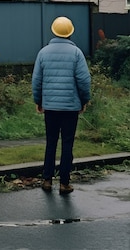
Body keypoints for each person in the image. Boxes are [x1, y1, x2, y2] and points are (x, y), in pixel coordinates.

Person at [32, 16, 91, 195]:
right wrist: (84, 100)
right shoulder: (76, 53)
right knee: (67, 144)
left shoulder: (43, 52)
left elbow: (37, 81)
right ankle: (64, 183)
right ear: (70, 33)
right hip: (70, 108)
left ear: (53, 31)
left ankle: (47, 180)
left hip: (50, 107)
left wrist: (39, 101)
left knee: (51, 143)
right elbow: (83, 80)